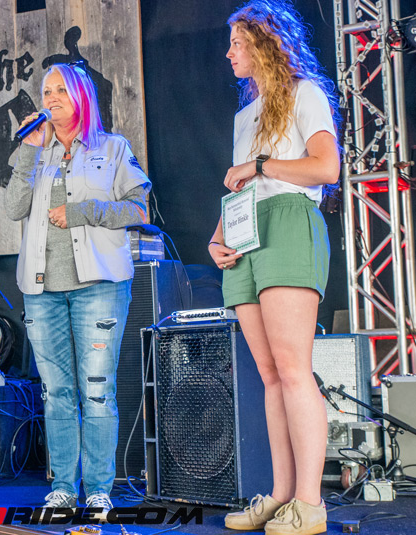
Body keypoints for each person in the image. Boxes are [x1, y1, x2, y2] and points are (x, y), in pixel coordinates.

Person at [208, 2, 340, 534]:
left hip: (289, 221)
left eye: (237, 43)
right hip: (246, 231)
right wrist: (218, 235)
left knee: (292, 368)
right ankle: (282, 496)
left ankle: (310, 503)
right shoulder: (245, 116)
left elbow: (326, 167)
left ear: (265, 44)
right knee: (268, 375)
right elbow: (245, 187)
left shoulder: (305, 93)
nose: (229, 53)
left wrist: (260, 164)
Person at [6, 63, 151, 514]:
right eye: (46, 92)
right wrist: (28, 152)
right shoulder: (36, 151)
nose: (51, 99)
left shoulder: (112, 147)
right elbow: (13, 208)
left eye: (60, 91)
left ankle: (99, 489)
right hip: (41, 289)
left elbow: (139, 209)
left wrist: (84, 211)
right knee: (56, 392)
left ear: (81, 96)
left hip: (99, 287)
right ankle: (64, 487)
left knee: (97, 390)